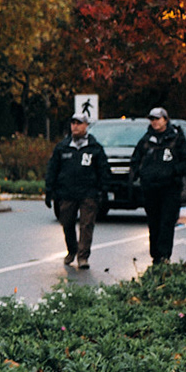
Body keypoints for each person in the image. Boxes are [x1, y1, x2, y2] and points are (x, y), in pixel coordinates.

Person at [44, 112, 109, 269]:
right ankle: (72, 249)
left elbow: (103, 170)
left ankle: (83, 256)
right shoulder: (62, 147)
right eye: (73, 123)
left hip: (88, 192)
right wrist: (49, 190)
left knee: (86, 225)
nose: (75, 126)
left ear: (86, 126)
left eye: (79, 123)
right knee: (66, 222)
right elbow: (53, 169)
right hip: (67, 192)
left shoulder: (95, 148)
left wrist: (103, 190)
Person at [130, 106, 186, 264]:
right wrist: (137, 176)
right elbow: (136, 160)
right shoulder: (146, 140)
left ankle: (165, 255)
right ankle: (155, 255)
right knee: (154, 222)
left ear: (165, 119)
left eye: (157, 119)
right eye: (152, 119)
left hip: (170, 188)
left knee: (167, 221)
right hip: (150, 188)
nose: (155, 122)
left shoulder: (176, 138)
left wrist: (173, 172)